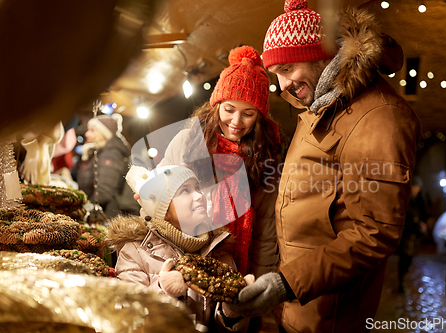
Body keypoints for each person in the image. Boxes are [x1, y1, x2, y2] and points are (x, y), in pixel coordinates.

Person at [227, 1, 421, 332]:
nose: (282, 86)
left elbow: (374, 233)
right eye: (277, 75)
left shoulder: (379, 115)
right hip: (298, 309)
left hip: (329, 317)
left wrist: (285, 283)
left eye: (287, 69)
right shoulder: (320, 106)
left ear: (320, 55)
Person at [159, 46, 282, 280]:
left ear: (260, 116)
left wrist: (261, 281)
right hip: (183, 263)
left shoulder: (264, 157)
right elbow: (161, 207)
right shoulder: (188, 141)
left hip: (239, 271)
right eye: (229, 109)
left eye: (248, 113)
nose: (236, 121)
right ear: (216, 106)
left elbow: (265, 231)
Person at [107, 164, 252, 332]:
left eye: (198, 188)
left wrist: (233, 310)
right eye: (185, 191)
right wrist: (163, 290)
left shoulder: (218, 251)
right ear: (164, 211)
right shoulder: (135, 252)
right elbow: (128, 317)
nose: (199, 195)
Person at [74, 113, 134, 218]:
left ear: (104, 134)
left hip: (107, 215)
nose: (87, 134)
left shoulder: (111, 154)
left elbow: (104, 192)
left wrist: (83, 208)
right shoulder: (97, 152)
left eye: (92, 130)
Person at [396, 175, 429, 293]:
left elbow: (424, 213)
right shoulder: (406, 199)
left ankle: (402, 280)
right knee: (404, 259)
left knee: (408, 259)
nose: (415, 189)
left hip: (414, 235)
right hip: (407, 234)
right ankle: (401, 282)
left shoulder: (420, 199)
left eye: (417, 187)